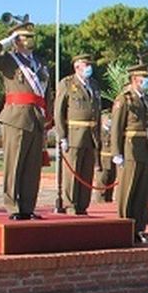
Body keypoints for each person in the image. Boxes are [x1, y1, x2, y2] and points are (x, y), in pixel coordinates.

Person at [0, 20, 49, 220]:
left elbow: (48, 93)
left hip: (37, 117)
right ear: (17, 40)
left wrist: (48, 118)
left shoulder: (41, 62)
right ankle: (13, 207)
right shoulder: (9, 60)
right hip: (16, 117)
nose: (30, 40)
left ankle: (28, 207)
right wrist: (5, 42)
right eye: (24, 37)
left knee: (32, 167)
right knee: (15, 164)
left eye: (31, 36)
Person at [110, 65, 148, 241]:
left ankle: (139, 229)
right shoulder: (124, 99)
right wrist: (117, 152)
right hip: (130, 148)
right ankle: (124, 227)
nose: (147, 82)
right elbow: (116, 127)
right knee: (128, 190)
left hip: (144, 148)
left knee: (141, 192)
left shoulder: (146, 100)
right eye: (144, 78)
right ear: (134, 79)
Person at [53, 53, 100, 215]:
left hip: (91, 134)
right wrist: (62, 136)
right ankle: (71, 204)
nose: (89, 68)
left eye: (89, 65)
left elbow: (97, 112)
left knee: (86, 172)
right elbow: (58, 112)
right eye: (85, 65)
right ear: (77, 67)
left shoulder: (93, 85)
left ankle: (82, 205)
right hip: (74, 134)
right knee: (73, 172)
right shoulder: (67, 84)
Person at [95, 110, 116, 203]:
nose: (109, 120)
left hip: (113, 160)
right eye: (107, 118)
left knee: (111, 183)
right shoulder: (99, 132)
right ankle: (101, 202)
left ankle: (109, 200)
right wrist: (97, 164)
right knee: (102, 185)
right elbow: (96, 148)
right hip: (103, 160)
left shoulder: (113, 131)